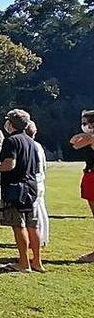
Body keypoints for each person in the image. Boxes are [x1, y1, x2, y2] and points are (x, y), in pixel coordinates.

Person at [0, 108, 43, 273]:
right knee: (32, 225)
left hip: (15, 187)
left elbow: (10, 164)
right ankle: (36, 261)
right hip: (31, 187)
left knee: (18, 225)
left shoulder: (11, 141)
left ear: (11, 123)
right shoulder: (31, 142)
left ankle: (23, 263)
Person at [70, 109, 94, 262]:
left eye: (86, 123)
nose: (84, 126)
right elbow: (74, 142)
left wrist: (86, 136)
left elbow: (75, 144)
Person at [26, 121, 49, 246]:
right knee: (41, 209)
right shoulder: (38, 146)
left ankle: (36, 239)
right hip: (40, 180)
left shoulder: (28, 145)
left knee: (34, 213)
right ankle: (43, 237)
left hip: (32, 181)